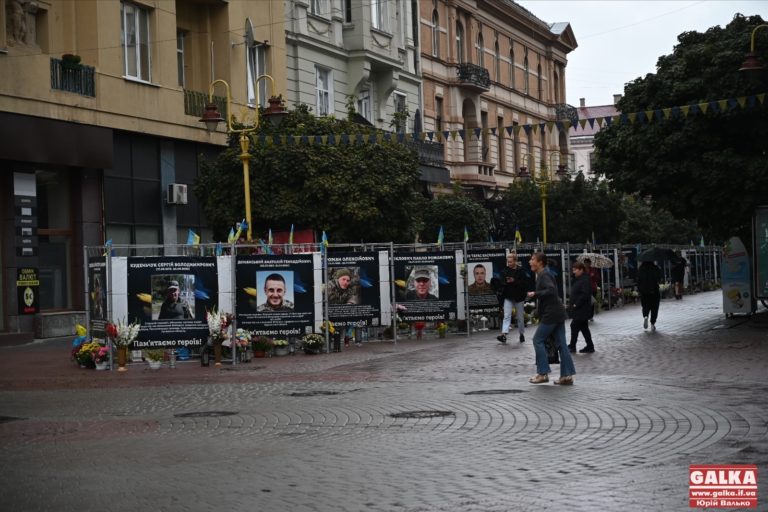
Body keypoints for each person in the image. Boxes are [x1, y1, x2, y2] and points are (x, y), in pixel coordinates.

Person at [526, 252, 576, 385]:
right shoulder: (544, 273)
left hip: (552, 314)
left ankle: (542, 374)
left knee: (538, 340)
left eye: (532, 259)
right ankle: (566, 376)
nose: (530, 262)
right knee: (561, 344)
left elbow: (551, 290)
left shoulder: (544, 274)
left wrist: (535, 294)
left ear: (540, 262)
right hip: (557, 313)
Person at [496, 253, 530, 344]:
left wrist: (514, 281)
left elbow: (525, 283)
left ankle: (521, 333)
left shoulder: (521, 271)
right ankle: (504, 334)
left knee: (520, 318)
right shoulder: (505, 271)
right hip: (508, 296)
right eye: (508, 262)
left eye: (511, 262)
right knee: (507, 316)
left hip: (519, 297)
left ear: (515, 261)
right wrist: (504, 282)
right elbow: (501, 282)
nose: (509, 263)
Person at [567, 262, 594, 353]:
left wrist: (576, 304)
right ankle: (590, 346)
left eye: (575, 270)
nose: (574, 271)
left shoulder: (585, 280)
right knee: (583, 327)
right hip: (579, 308)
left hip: (582, 308)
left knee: (574, 325)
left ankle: (572, 346)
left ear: (581, 270)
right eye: (573, 269)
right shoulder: (578, 279)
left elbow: (585, 294)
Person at [637, 260, 662, 331]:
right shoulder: (655, 268)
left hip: (644, 291)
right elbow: (659, 279)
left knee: (645, 305)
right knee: (655, 307)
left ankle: (645, 316)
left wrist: (639, 290)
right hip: (654, 290)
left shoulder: (641, 268)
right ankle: (652, 323)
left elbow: (638, 280)